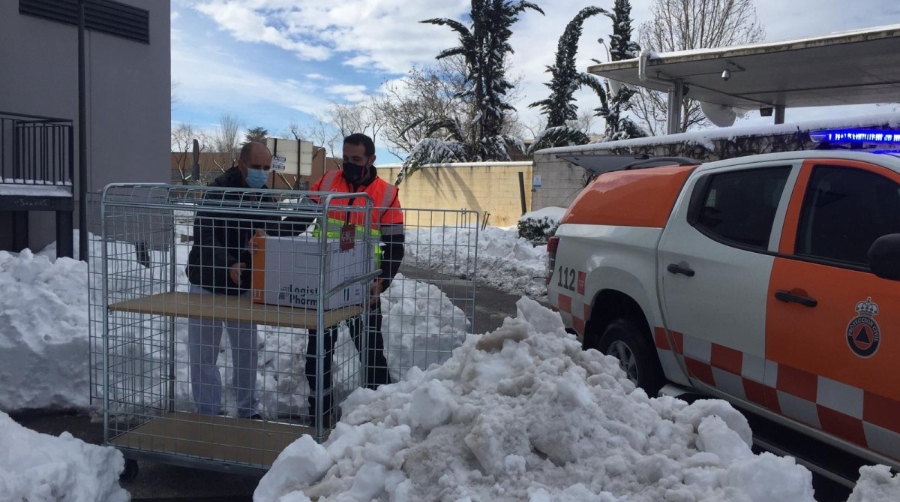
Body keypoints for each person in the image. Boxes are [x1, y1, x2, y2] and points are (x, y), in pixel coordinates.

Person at [185, 141, 299, 419]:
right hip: (208, 281)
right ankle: (208, 413)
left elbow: (277, 232)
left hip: (243, 285)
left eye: (266, 168)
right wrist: (228, 264)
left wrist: (273, 235)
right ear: (241, 164)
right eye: (256, 167)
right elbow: (206, 236)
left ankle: (249, 410)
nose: (261, 173)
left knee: (246, 351)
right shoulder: (218, 192)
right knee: (203, 352)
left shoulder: (265, 197)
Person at [305, 133, 405, 426]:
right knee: (318, 352)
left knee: (371, 350)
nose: (349, 164)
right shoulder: (326, 183)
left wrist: (382, 282)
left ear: (372, 159)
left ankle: (382, 409)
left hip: (364, 287)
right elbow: (300, 218)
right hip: (324, 286)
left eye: (356, 160)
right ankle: (320, 411)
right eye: (345, 158)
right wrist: (272, 238)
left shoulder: (386, 193)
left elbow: (395, 244)